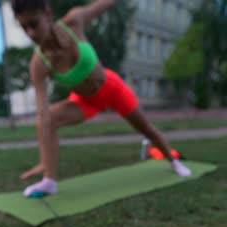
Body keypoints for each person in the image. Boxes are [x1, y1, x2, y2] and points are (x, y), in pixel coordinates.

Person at [11, 0, 192, 198]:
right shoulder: (39, 64)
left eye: (33, 24)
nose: (30, 33)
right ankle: (49, 181)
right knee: (51, 119)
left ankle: (173, 161)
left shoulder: (74, 21)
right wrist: (45, 159)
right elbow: (42, 115)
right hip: (85, 102)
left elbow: (104, 4)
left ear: (47, 13)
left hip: (112, 89)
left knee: (146, 128)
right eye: (23, 27)